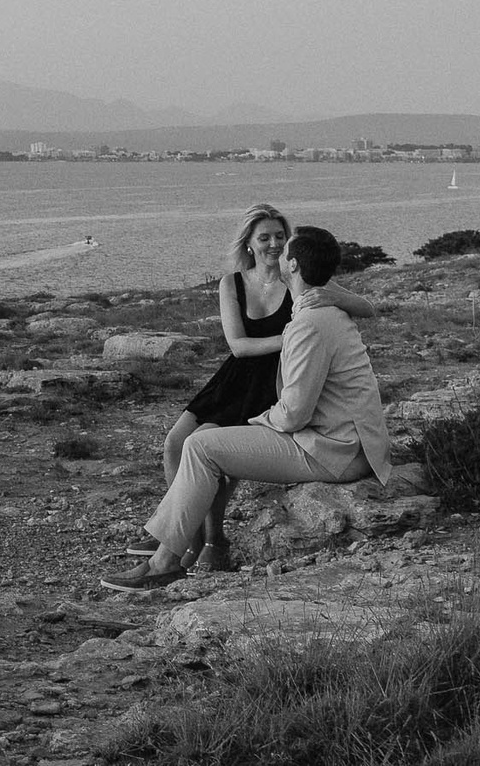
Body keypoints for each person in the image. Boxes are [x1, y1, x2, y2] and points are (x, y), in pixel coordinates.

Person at [102, 226, 393, 592]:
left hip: (335, 451)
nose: (276, 252)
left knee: (201, 446)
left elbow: (293, 415)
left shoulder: (309, 324)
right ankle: (177, 547)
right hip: (346, 442)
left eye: (284, 248)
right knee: (199, 442)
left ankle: (165, 561)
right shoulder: (325, 310)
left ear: (292, 265)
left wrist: (256, 422)